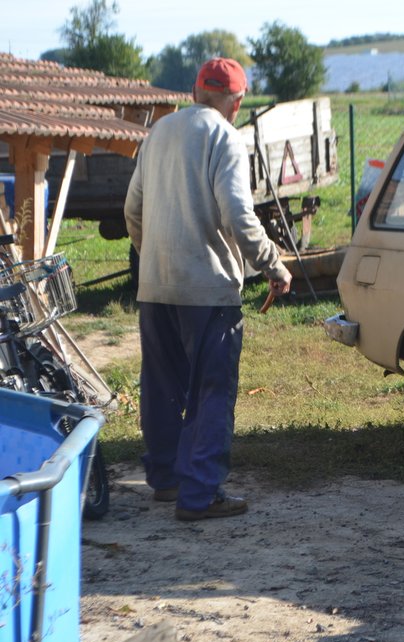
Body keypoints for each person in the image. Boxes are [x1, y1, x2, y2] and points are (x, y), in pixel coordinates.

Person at [124, 58, 292, 521]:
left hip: (155, 288)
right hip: (208, 291)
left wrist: (156, 257)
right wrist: (273, 266)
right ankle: (200, 495)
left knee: (161, 387)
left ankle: (165, 479)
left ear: (196, 91)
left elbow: (132, 210)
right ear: (236, 102)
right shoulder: (225, 137)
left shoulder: (157, 133)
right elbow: (237, 214)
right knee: (211, 390)